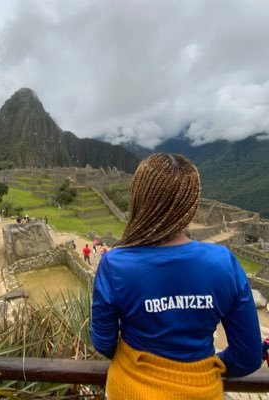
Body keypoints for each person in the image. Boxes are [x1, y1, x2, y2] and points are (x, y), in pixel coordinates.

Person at [91, 153, 262, 400]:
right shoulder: (222, 263)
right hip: (202, 391)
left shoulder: (116, 264)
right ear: (191, 206)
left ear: (138, 198)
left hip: (131, 388)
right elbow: (248, 357)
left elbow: (104, 343)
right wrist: (203, 365)